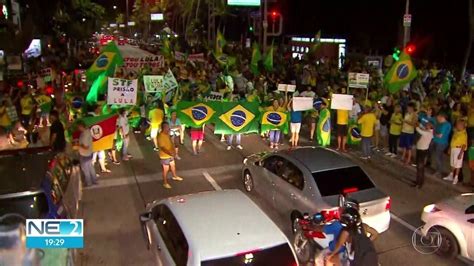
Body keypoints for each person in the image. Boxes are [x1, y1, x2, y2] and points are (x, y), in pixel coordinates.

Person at [157, 122, 183, 189]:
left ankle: (175, 176)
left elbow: (171, 143)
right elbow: (162, 148)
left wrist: (173, 151)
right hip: (164, 156)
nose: (169, 128)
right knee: (166, 169)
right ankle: (165, 182)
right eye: (167, 127)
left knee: (173, 165)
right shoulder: (160, 136)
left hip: (170, 154)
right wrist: (170, 153)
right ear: (164, 128)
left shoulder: (167, 134)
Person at [444, 120, 467, 185]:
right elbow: (452, 140)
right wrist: (450, 148)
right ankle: (451, 175)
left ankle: (456, 178)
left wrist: (460, 153)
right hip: (453, 148)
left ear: (463, 126)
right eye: (457, 124)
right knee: (452, 163)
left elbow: (464, 144)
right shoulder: (456, 132)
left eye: (459, 124)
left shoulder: (464, 134)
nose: (457, 126)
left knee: (457, 165)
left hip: (458, 149)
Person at [76, 120, 97, 187]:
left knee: (85, 169)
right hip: (89, 153)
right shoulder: (87, 131)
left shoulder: (85, 134)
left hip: (84, 154)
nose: (78, 129)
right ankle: (94, 180)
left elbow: (85, 147)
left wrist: (77, 145)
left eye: (78, 127)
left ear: (81, 126)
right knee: (90, 167)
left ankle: (89, 183)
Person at [413, 123, 434, 188]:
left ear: (430, 126)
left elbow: (419, 130)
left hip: (422, 151)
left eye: (427, 125)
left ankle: (419, 183)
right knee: (420, 168)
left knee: (420, 167)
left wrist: (416, 125)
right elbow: (422, 127)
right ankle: (419, 181)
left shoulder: (428, 133)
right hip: (421, 150)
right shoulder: (429, 132)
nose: (426, 125)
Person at [432, 113, 452, 177]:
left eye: (438, 118)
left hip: (441, 143)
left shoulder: (445, 125)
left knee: (438, 157)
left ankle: (439, 172)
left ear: (442, 117)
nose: (437, 119)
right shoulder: (441, 123)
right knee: (439, 157)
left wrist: (433, 133)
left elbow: (440, 135)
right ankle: (438, 170)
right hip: (438, 142)